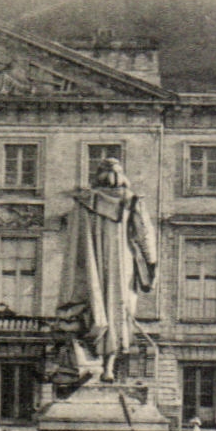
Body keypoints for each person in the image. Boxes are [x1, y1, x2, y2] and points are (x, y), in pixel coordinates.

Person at [57, 158, 156, 384]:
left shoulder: (83, 202)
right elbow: (144, 235)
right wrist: (151, 264)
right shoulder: (131, 201)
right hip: (120, 263)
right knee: (117, 310)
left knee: (90, 306)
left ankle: (86, 361)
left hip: (87, 264)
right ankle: (108, 368)